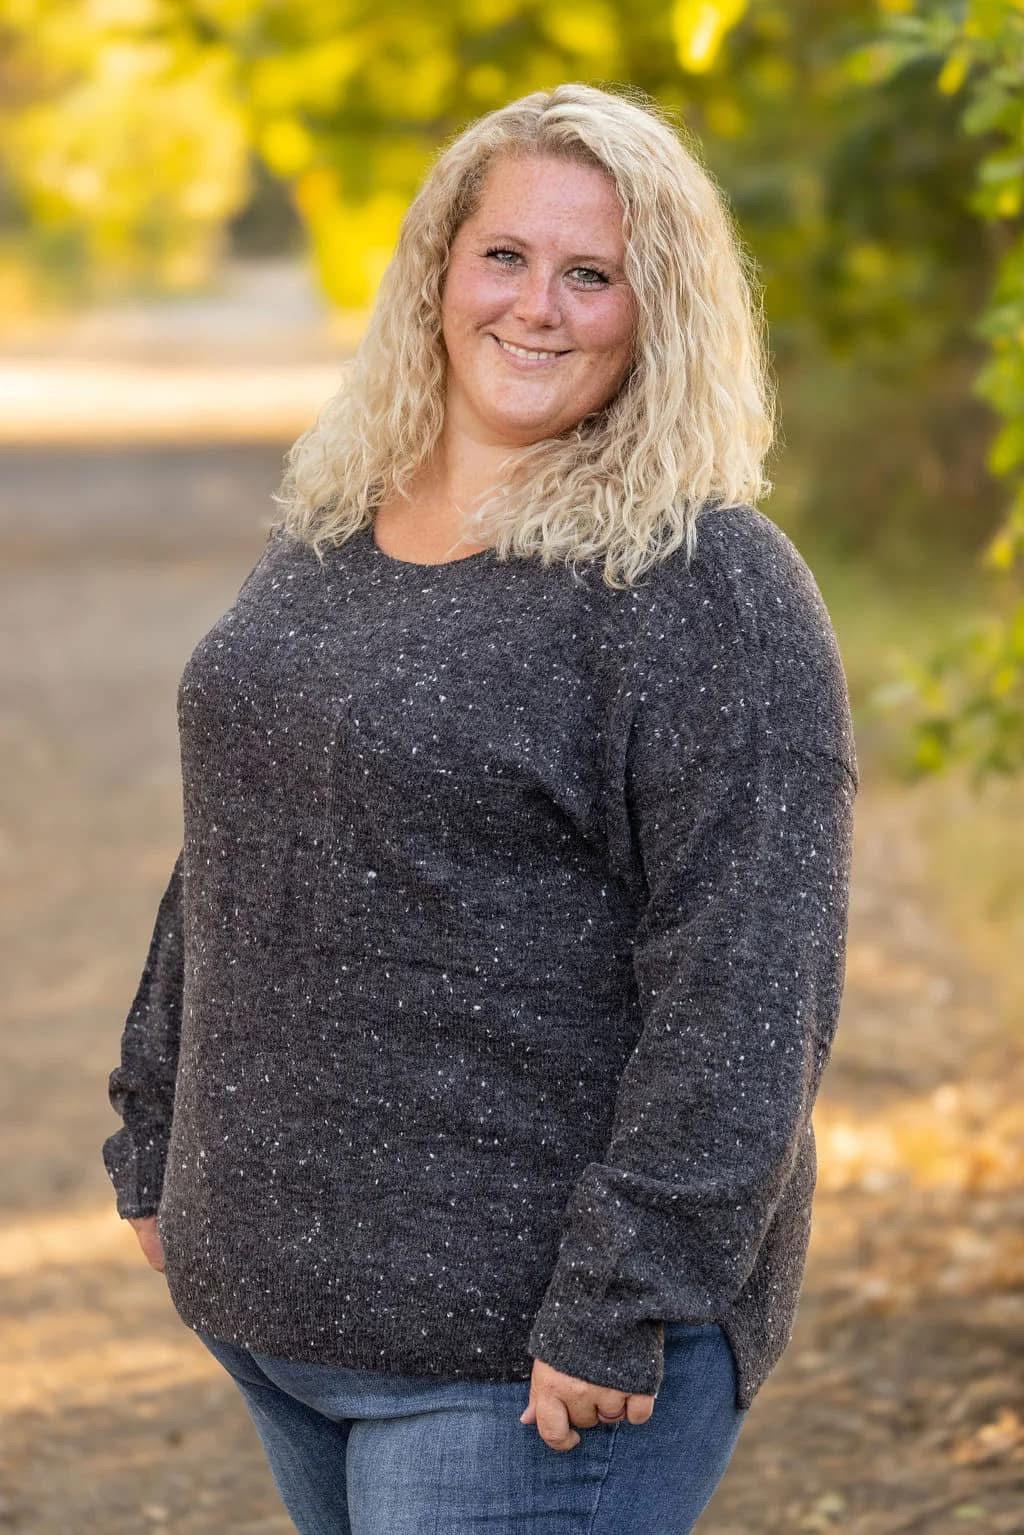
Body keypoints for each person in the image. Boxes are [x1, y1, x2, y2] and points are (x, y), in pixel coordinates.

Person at [103, 81, 858, 1534]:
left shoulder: (703, 585)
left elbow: (752, 978)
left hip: (519, 1368)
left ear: (662, 315)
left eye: (594, 275)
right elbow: (245, 833)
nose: (539, 306)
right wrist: (156, 1119)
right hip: (282, 1314)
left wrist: (625, 1294)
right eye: (505, 256)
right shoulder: (338, 517)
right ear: (439, 268)